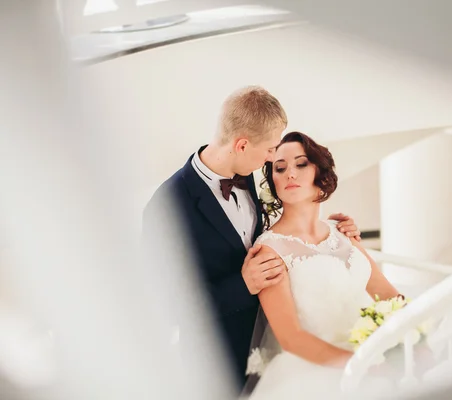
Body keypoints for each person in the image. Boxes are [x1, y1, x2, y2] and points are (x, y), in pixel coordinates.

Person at [141, 87, 362, 391]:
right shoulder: (167, 207)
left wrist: (334, 234)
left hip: (273, 354)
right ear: (242, 145)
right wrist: (242, 286)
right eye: (271, 150)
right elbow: (166, 307)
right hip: (217, 364)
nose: (273, 159)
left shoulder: (247, 176)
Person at [246, 131, 418, 399]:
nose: (290, 173)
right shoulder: (269, 249)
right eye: (280, 168)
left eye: (301, 164)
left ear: (320, 174)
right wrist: (361, 366)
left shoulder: (343, 231)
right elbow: (291, 338)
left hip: (374, 356)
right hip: (316, 374)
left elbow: (389, 296)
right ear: (274, 182)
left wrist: (417, 339)